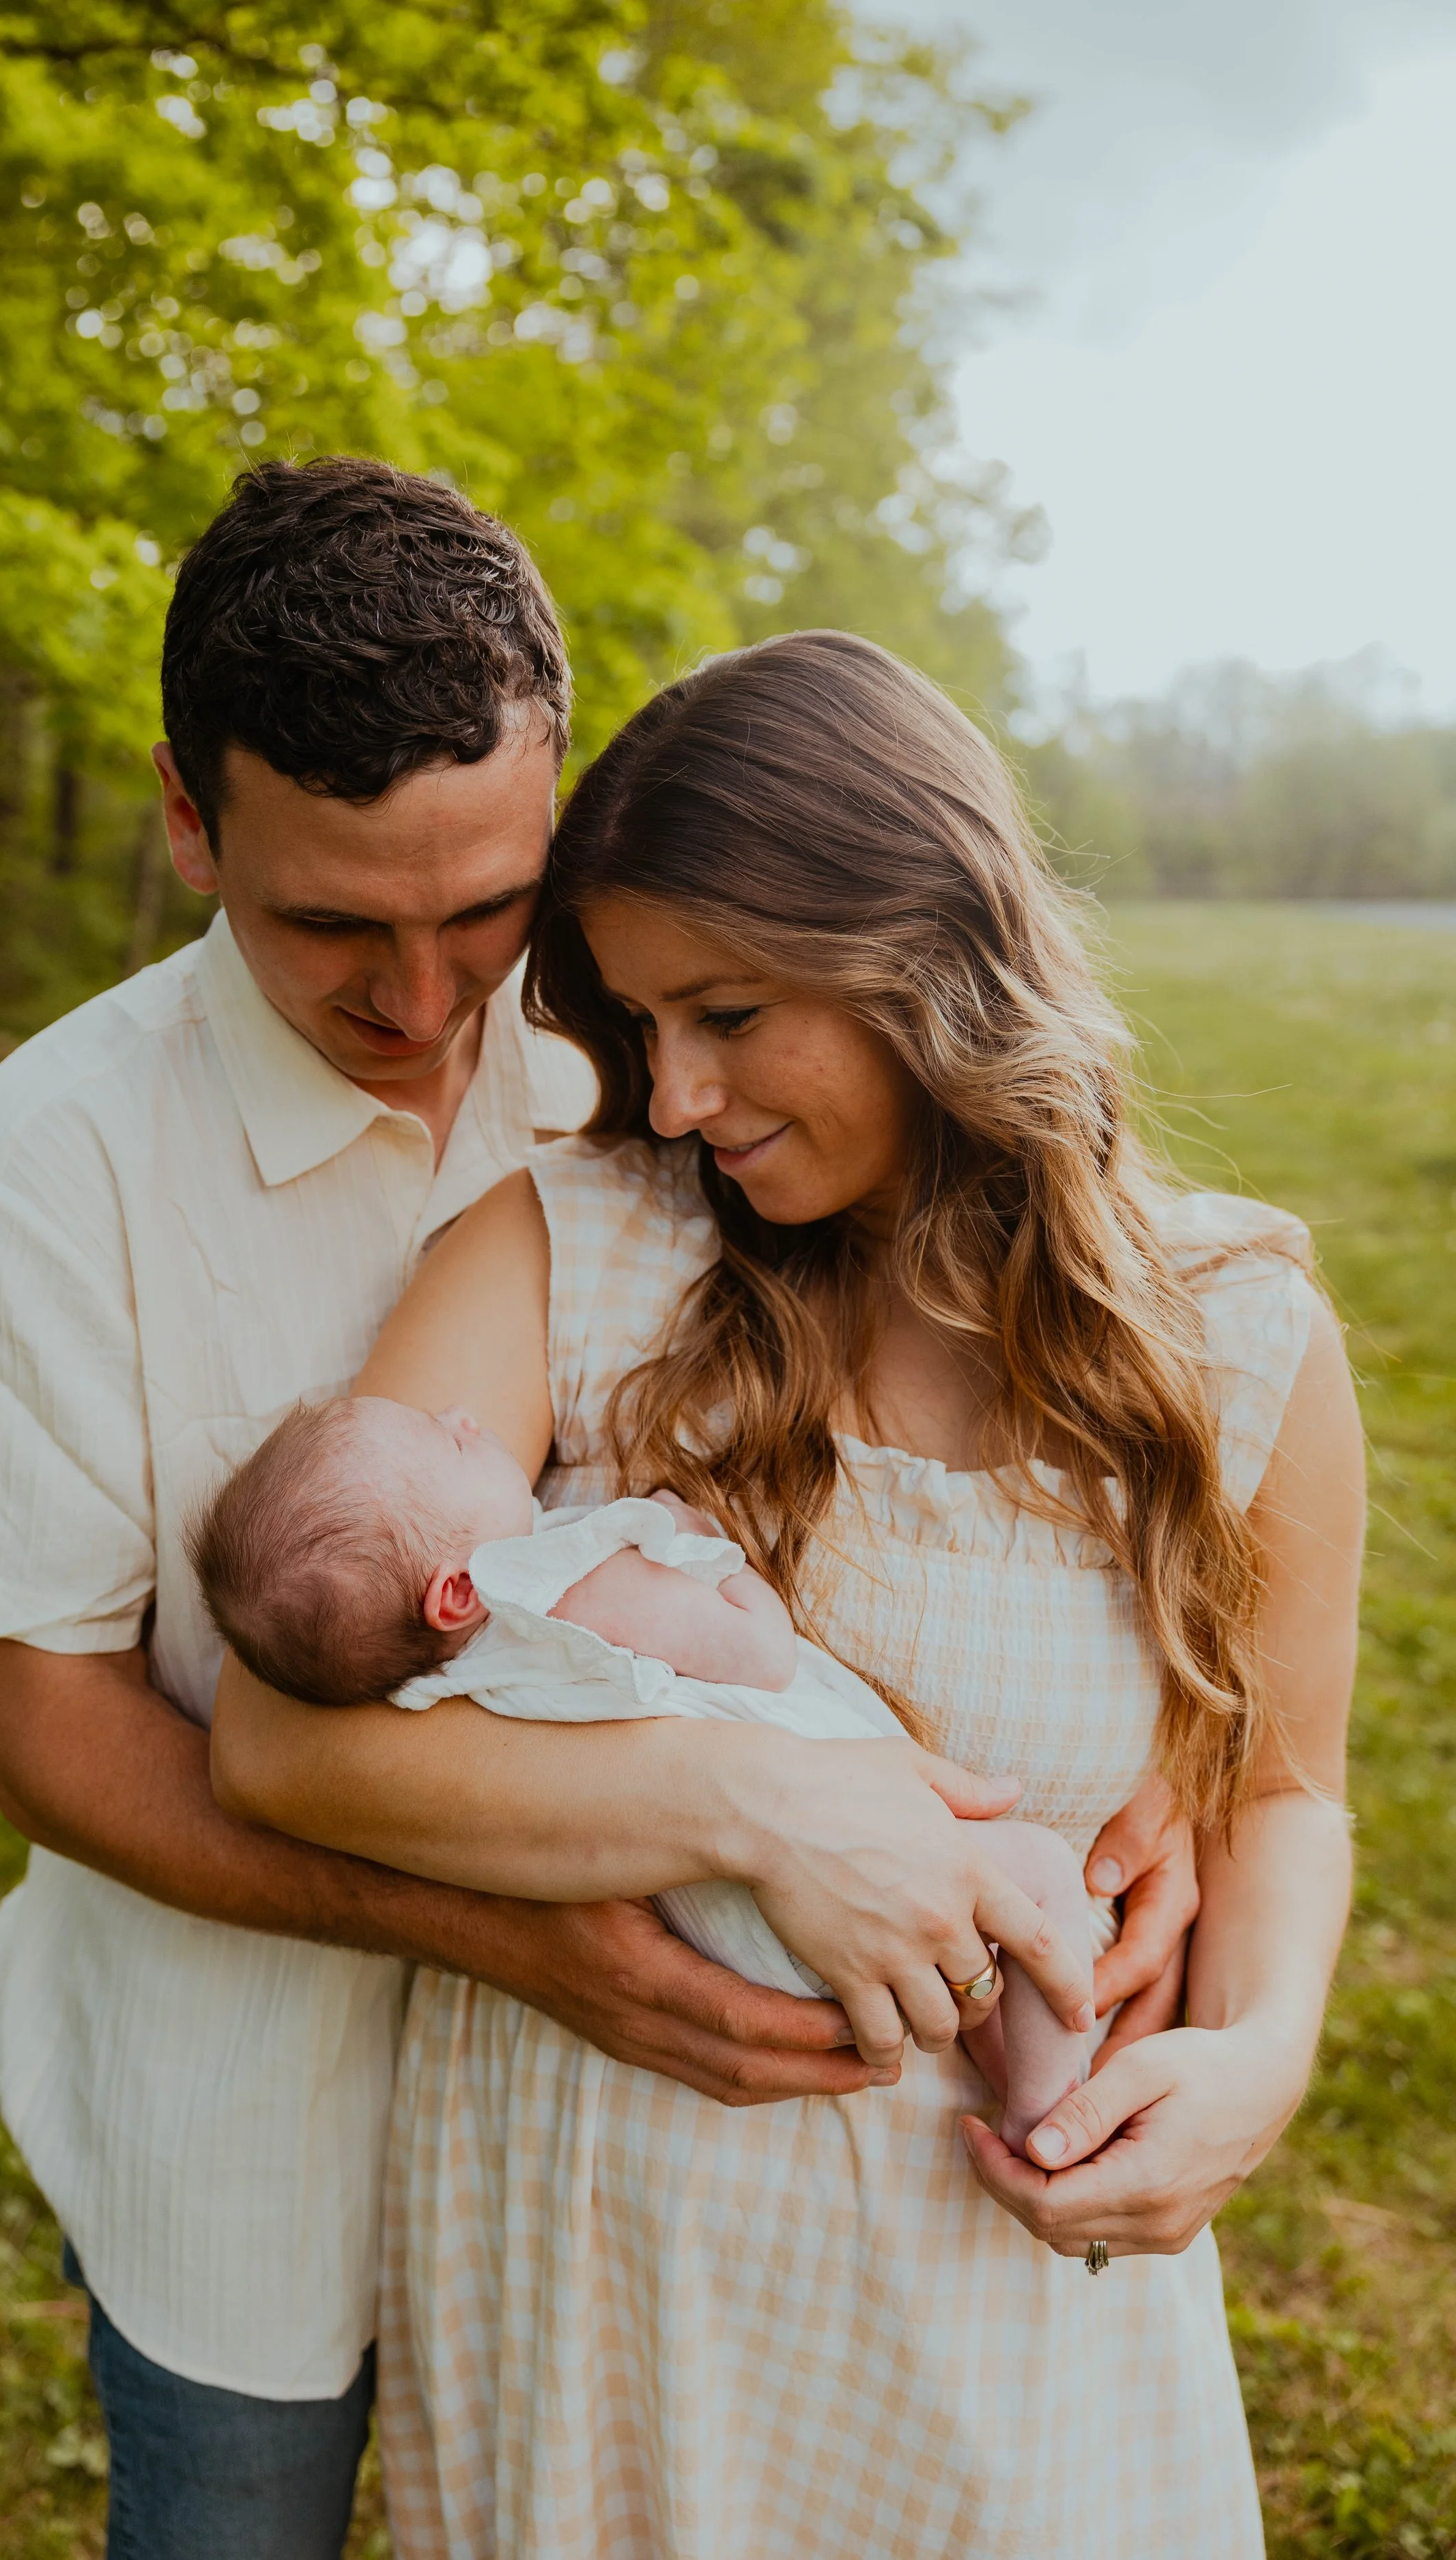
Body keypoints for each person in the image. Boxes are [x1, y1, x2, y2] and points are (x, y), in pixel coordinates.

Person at [0, 464, 1189, 2555]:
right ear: (186, 819)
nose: (423, 1002)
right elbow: (49, 1723)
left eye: (480, 911)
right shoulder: (48, 1167)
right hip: (257, 2107)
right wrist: (529, 1937)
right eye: (331, 922)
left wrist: (1164, 1760)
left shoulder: (642, 1068)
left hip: (638, 2163)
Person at [211, 630, 1364, 2558]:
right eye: (640, 1021)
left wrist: (1260, 2054)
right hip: (610, 2275)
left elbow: (1278, 1789)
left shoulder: (1235, 1337)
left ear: (924, 949)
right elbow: (276, 1733)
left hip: (1002, 2288)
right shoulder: (576, 1248)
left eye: (726, 1013)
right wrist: (754, 1794)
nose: (669, 1097)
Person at [188, 1391, 1097, 2153]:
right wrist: (715, 1552)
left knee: (981, 1948)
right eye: (446, 1439)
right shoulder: (572, 1584)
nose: (466, 1415)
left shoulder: (440, 1682)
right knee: (1039, 1877)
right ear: (457, 1590)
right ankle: (1047, 2121)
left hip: (721, 1924)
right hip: (821, 1884)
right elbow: (758, 1653)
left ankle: (1011, 2062)